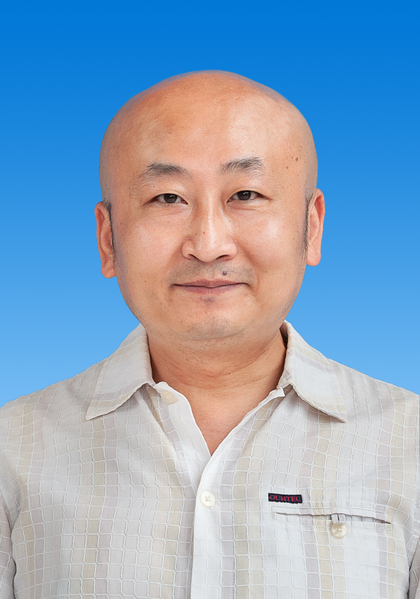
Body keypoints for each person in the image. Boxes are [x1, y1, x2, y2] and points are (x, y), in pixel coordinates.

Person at [0, 71, 418, 599]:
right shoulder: (13, 449)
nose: (208, 243)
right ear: (108, 240)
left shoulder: (409, 445)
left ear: (311, 227)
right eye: (167, 198)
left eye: (245, 194)